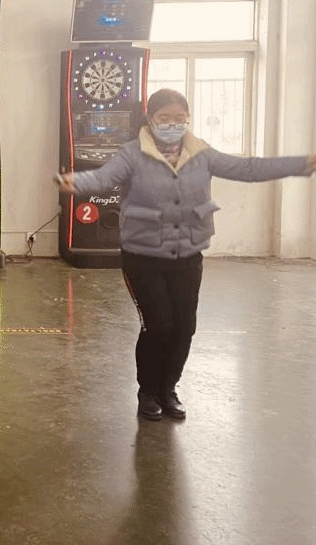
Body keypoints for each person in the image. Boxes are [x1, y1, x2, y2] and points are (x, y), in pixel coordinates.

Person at [56, 89, 316, 421]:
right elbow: (103, 177)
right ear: (150, 120)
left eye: (179, 118)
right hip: (143, 257)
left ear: (188, 119)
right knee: (158, 325)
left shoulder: (202, 153)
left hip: (188, 255)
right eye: (164, 118)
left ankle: (168, 389)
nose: (173, 124)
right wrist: (74, 182)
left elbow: (248, 168)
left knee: (184, 327)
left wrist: (302, 163)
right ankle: (148, 392)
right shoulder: (132, 154)